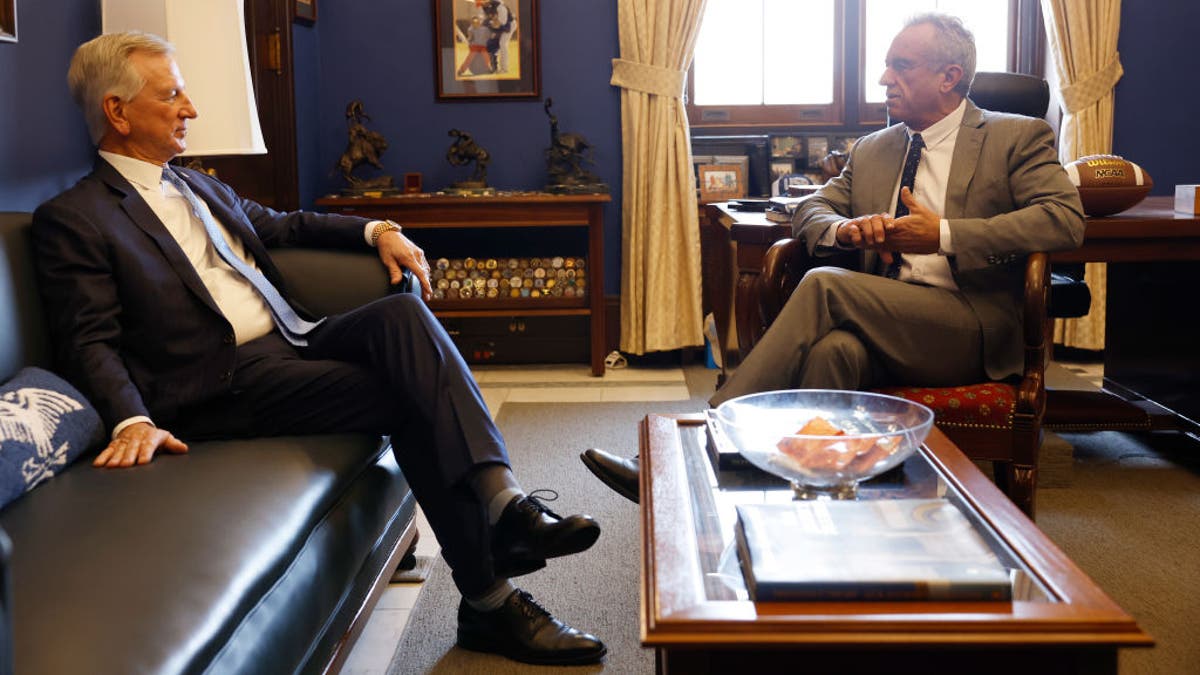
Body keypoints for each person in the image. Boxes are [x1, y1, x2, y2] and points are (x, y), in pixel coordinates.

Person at [34, 31, 606, 666]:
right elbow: (89, 336)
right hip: (220, 382)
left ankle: (504, 501)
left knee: (401, 315)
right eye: (172, 95)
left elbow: (284, 225)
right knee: (414, 396)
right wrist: (131, 416)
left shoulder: (195, 185)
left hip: (292, 336)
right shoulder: (76, 216)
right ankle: (491, 599)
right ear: (116, 111)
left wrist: (378, 228)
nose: (190, 109)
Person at [582, 12, 1085, 503]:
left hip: (971, 326)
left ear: (949, 77)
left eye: (902, 66)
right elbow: (812, 208)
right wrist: (843, 230)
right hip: (883, 317)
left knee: (825, 284)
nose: (885, 78)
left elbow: (1065, 219)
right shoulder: (875, 148)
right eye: (887, 65)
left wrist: (945, 234)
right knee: (832, 353)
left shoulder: (1015, 136)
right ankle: (802, 504)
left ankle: (691, 447)